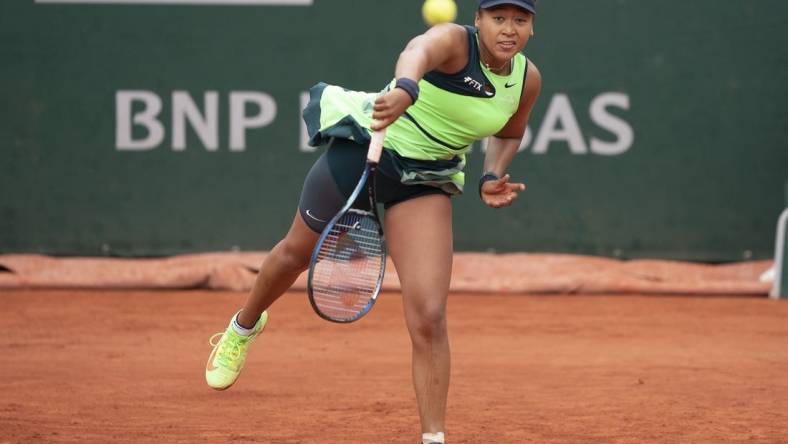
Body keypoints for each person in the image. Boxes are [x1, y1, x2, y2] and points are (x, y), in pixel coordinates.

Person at [205, 1, 541, 442]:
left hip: (425, 179)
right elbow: (416, 52)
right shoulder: (453, 42)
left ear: (532, 28)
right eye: (498, 18)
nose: (508, 29)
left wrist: (491, 174)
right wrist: (405, 88)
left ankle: (433, 437)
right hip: (368, 151)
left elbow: (510, 133)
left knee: (429, 314)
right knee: (293, 255)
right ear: (478, 21)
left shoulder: (526, 79)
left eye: (520, 20)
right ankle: (242, 327)